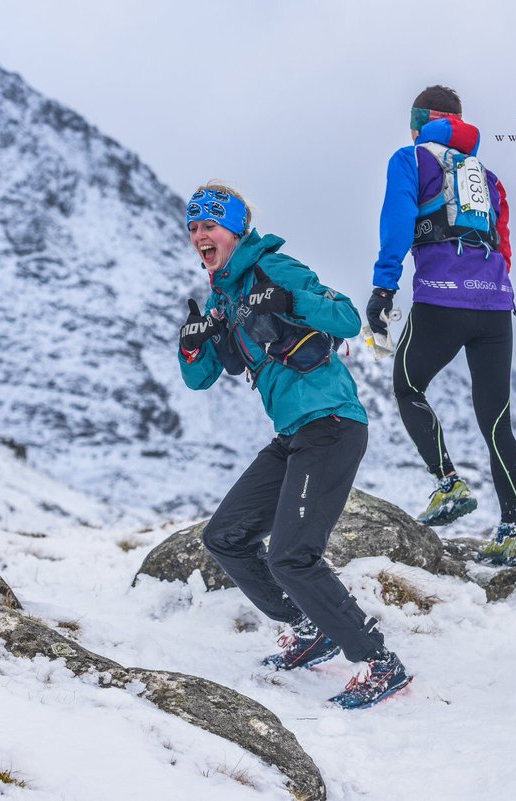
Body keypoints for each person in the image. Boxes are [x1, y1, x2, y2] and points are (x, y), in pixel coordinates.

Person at [178, 182, 412, 709]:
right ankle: (309, 628)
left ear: (235, 229)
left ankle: (378, 662)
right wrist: (192, 347)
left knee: (291, 556)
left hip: (331, 425)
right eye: (192, 228)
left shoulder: (275, 270)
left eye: (209, 226)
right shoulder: (224, 297)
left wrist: (287, 301)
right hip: (292, 437)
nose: (199, 236)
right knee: (226, 537)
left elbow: (348, 318)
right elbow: (201, 379)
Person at [365, 84, 516, 567]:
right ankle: (511, 532)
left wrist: (383, 290)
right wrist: (488, 289)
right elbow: (503, 245)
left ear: (419, 124)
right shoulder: (489, 176)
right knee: (496, 417)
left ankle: (449, 483)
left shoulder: (411, 158)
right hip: (497, 305)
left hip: (442, 298)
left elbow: (395, 223)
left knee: (408, 387)